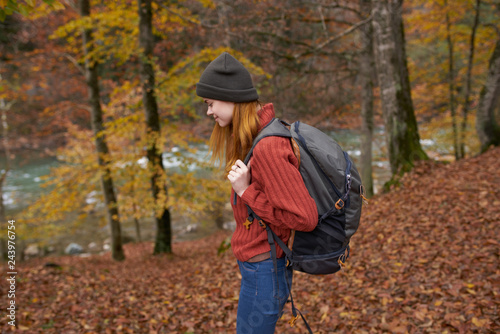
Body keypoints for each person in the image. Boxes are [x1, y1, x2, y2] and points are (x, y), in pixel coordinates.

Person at [196, 52, 317, 334]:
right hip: (258, 269)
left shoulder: (268, 147)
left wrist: (247, 191)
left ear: (230, 97)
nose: (208, 111)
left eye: (210, 103)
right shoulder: (252, 137)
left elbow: (305, 218)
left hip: (265, 272)